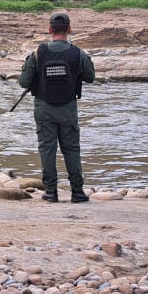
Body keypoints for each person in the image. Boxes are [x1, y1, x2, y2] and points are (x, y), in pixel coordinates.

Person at [18, 12, 95, 203]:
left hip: (44, 108)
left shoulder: (38, 53)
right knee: (72, 150)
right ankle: (77, 191)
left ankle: (51, 192)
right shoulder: (77, 53)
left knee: (47, 149)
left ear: (50, 30)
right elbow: (90, 77)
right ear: (69, 29)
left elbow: (23, 82)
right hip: (68, 108)